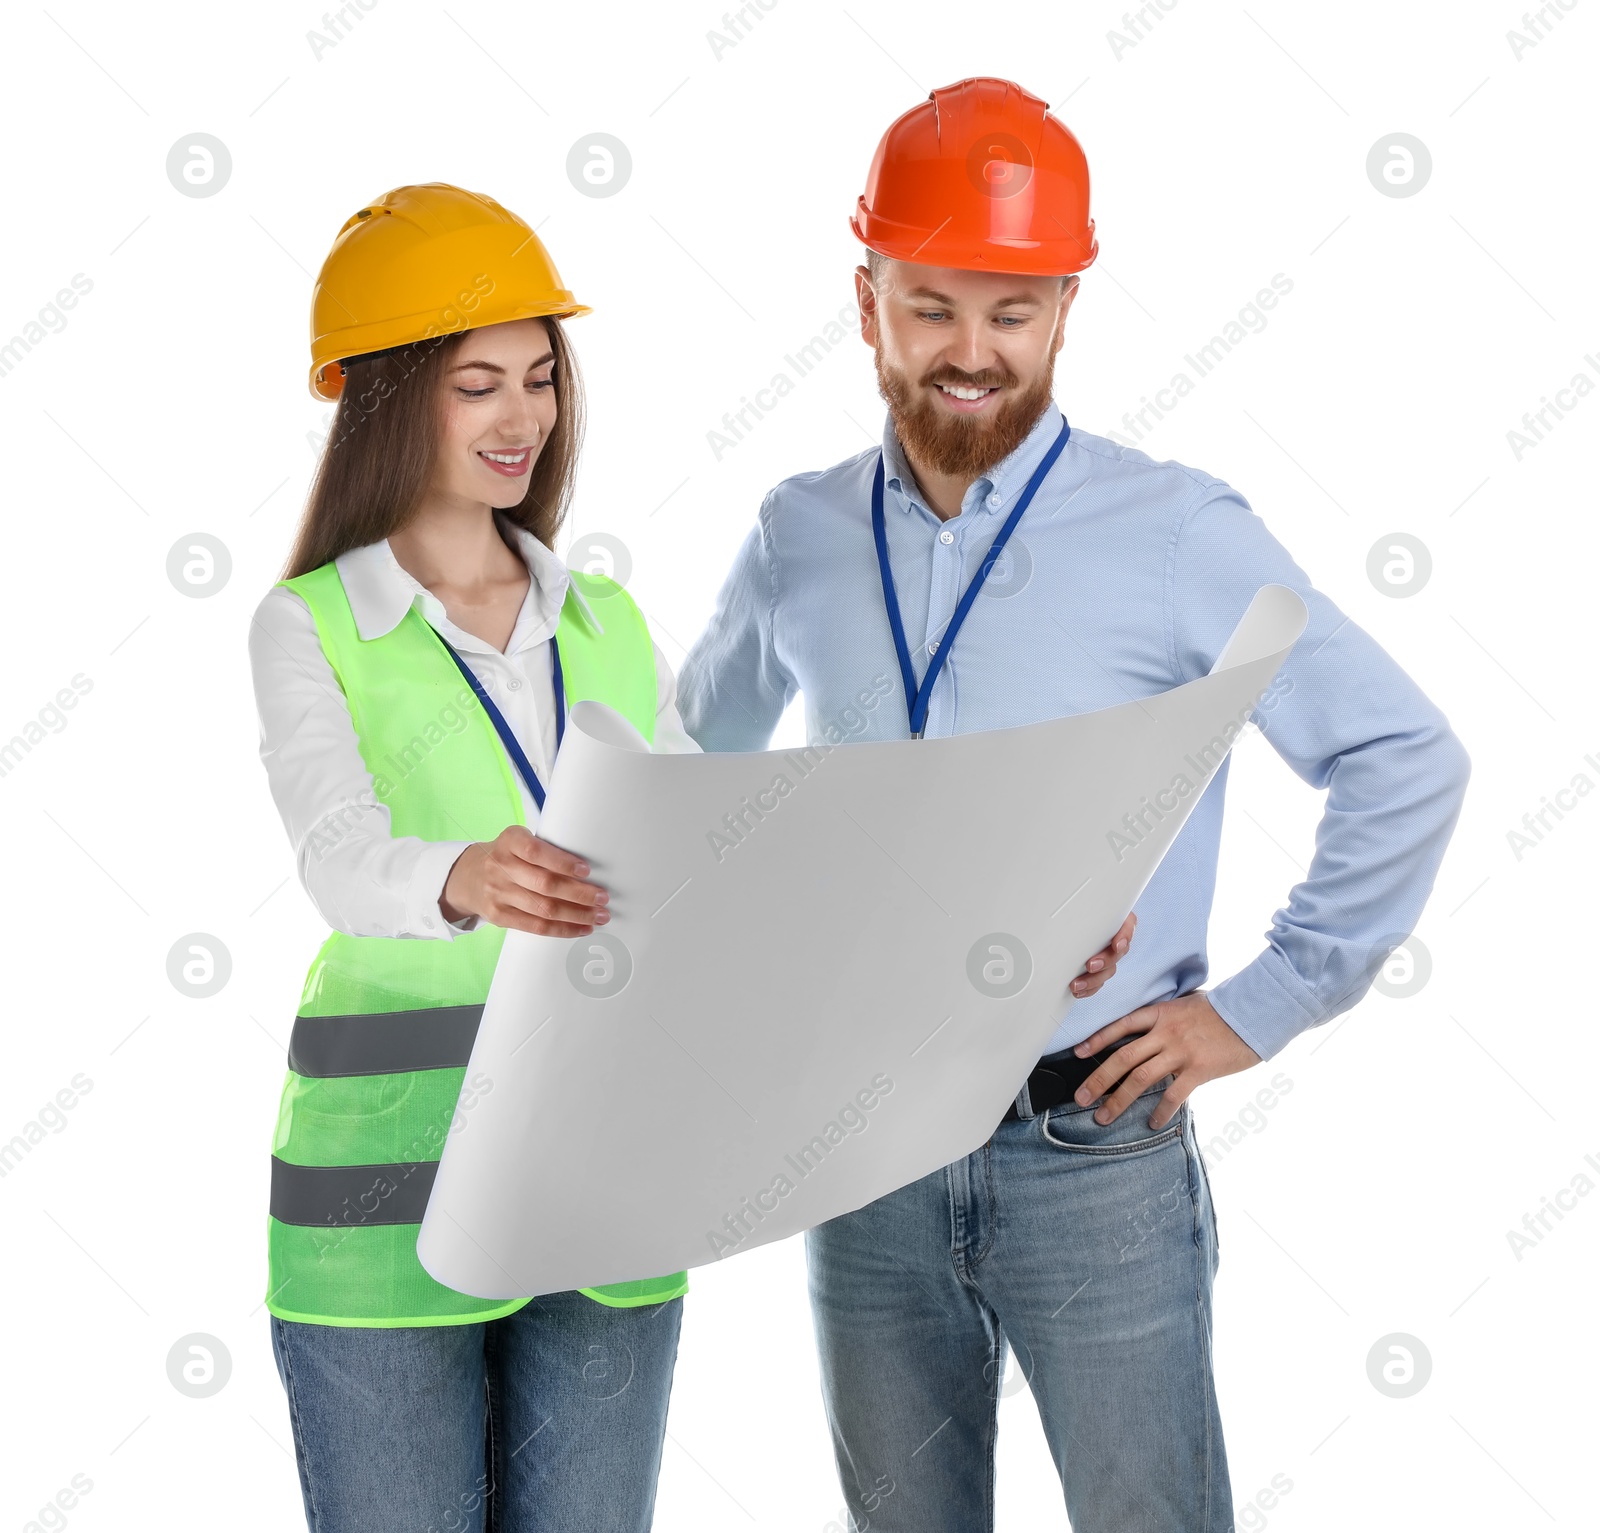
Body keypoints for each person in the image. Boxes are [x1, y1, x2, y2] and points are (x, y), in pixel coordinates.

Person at [678, 78, 1471, 1532]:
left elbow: (1404, 753)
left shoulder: (1174, 533)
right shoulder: (797, 537)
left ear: (1064, 313)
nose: (972, 353)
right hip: (862, 1148)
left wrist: (1261, 1005)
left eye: (1015, 309)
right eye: (932, 308)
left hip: (1090, 1152)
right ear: (866, 305)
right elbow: (693, 792)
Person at [249, 183, 693, 1532]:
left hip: (607, 1180)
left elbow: (696, 855)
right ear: (390, 398)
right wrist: (465, 876)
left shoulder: (605, 617)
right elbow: (338, 856)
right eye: (478, 385)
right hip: (387, 1194)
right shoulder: (311, 623)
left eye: (542, 381)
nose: (524, 420)